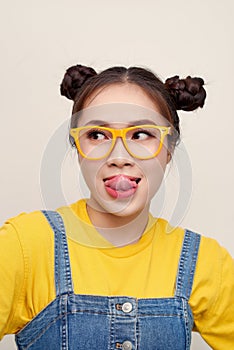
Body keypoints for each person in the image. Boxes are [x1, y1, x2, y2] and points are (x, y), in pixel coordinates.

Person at [0, 64, 233, 350]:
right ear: (77, 147)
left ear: (169, 150)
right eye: (97, 135)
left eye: (141, 134)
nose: (119, 156)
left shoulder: (205, 262)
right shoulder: (23, 246)